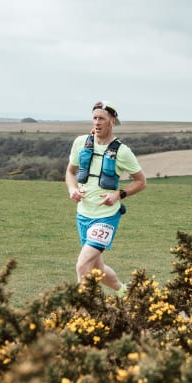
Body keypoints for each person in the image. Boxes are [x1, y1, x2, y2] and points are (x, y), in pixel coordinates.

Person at [66, 101, 147, 296]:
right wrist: (72, 189)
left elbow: (141, 181)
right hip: (83, 214)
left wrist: (119, 194)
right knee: (98, 270)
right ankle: (126, 293)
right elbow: (70, 172)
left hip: (106, 217)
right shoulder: (81, 143)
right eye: (94, 118)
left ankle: (81, 311)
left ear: (112, 121)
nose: (97, 122)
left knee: (82, 266)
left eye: (101, 118)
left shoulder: (122, 151)